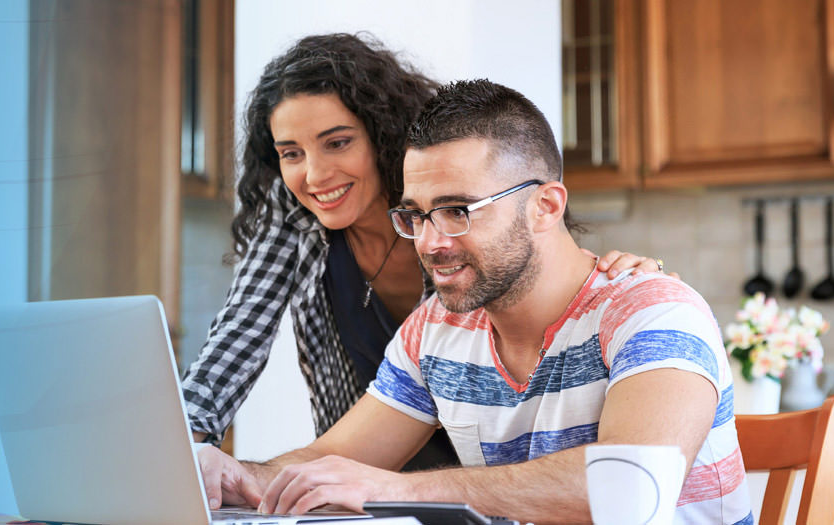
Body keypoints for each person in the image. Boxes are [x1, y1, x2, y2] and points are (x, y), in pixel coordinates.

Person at [193, 79, 751, 524]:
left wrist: (395, 490)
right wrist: (235, 474)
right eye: (416, 214)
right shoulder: (436, 329)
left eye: (459, 209)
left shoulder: (653, 311)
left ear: (546, 206)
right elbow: (330, 460)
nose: (432, 243)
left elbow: (633, 484)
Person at [182, 32, 668, 471]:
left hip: (480, 482)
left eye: (337, 143)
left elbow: (535, 261)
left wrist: (628, 290)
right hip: (366, 479)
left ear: (381, 134)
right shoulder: (295, 221)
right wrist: (185, 454)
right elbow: (234, 344)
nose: (313, 174)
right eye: (291, 153)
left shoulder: (455, 229)